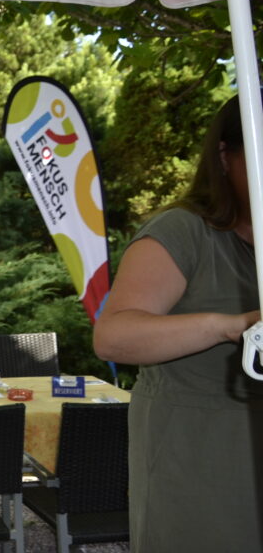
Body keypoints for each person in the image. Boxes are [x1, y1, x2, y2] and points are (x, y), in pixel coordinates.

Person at [94, 94, 263, 552]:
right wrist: (232, 326)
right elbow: (113, 338)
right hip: (196, 460)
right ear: (225, 157)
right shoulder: (183, 231)